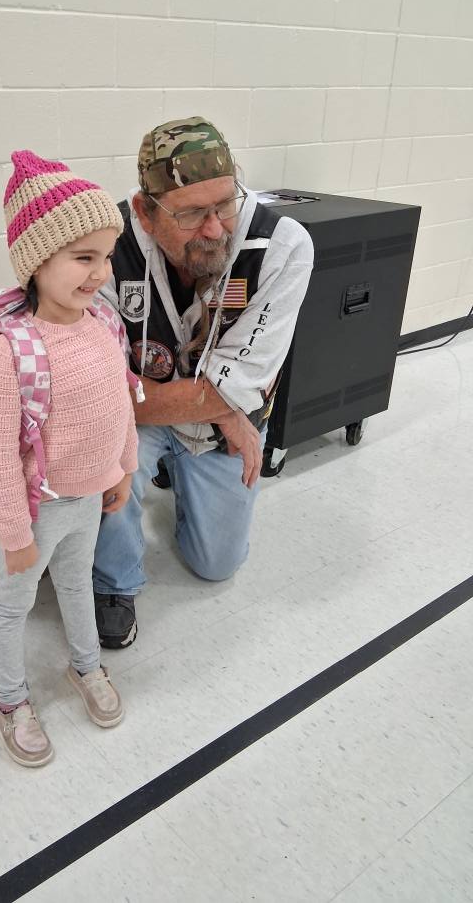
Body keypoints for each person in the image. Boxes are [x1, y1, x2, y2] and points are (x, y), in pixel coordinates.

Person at [93, 117, 314, 649]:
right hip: (140, 420)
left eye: (224, 204)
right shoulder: (106, 242)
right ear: (146, 213)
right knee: (100, 453)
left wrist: (224, 404)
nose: (215, 228)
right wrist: (221, 407)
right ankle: (114, 584)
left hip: (160, 404)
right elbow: (98, 394)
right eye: (191, 214)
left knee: (216, 565)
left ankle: (181, 475)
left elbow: (242, 385)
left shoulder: (282, 247)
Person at [0, 151, 138, 767]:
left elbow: (121, 403)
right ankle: (10, 700)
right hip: (36, 510)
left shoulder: (101, 325)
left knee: (76, 582)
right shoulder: (11, 352)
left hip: (90, 498)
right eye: (82, 258)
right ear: (36, 262)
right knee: (13, 603)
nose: (99, 274)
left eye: (105, 257)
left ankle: (87, 666)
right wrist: (13, 534)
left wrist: (123, 467)